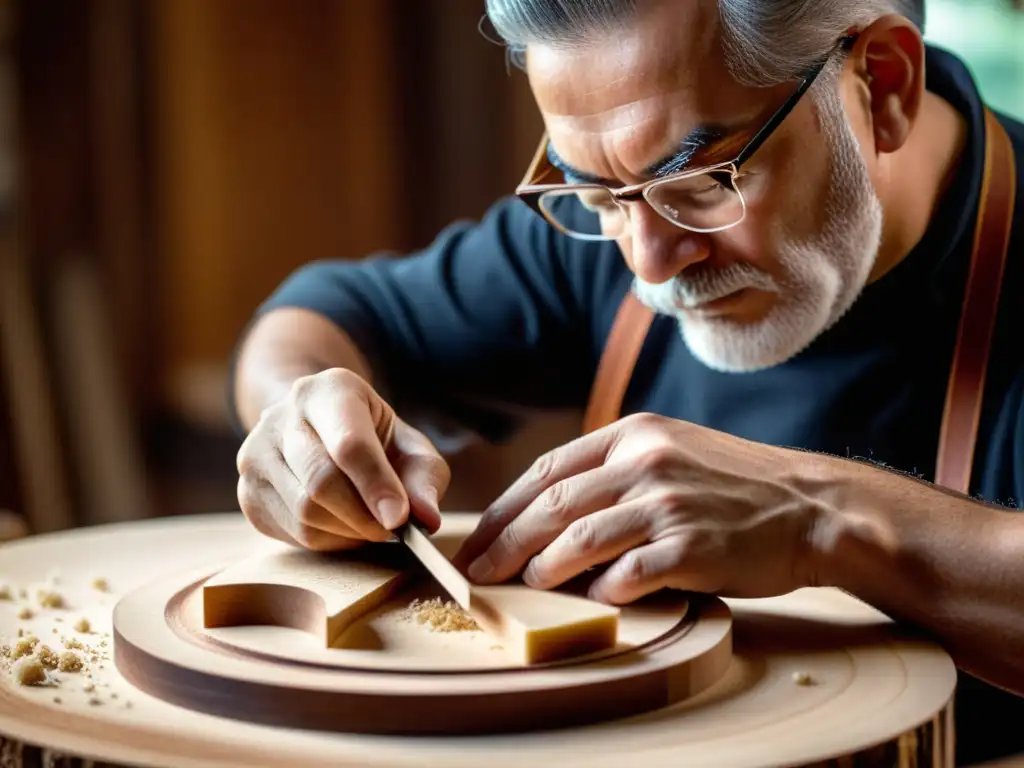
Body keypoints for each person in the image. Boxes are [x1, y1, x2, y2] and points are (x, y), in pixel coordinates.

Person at [229, 0, 1024, 762]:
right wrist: (299, 415)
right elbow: (327, 315)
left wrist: (821, 520)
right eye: (593, 192)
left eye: (703, 184)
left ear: (884, 86)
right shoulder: (614, 215)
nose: (646, 263)